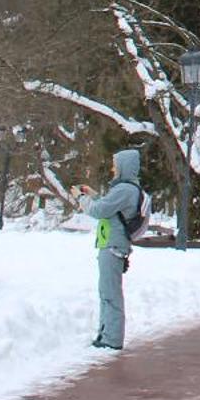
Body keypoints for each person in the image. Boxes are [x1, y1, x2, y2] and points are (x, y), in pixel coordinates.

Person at [78, 148, 143, 351]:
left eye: (115, 164)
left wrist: (82, 200)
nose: (112, 168)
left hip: (113, 245)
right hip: (113, 244)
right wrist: (92, 194)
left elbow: (100, 210)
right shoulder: (126, 190)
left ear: (124, 166)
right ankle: (106, 334)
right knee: (107, 291)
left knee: (110, 293)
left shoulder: (125, 190)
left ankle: (111, 339)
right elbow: (109, 206)